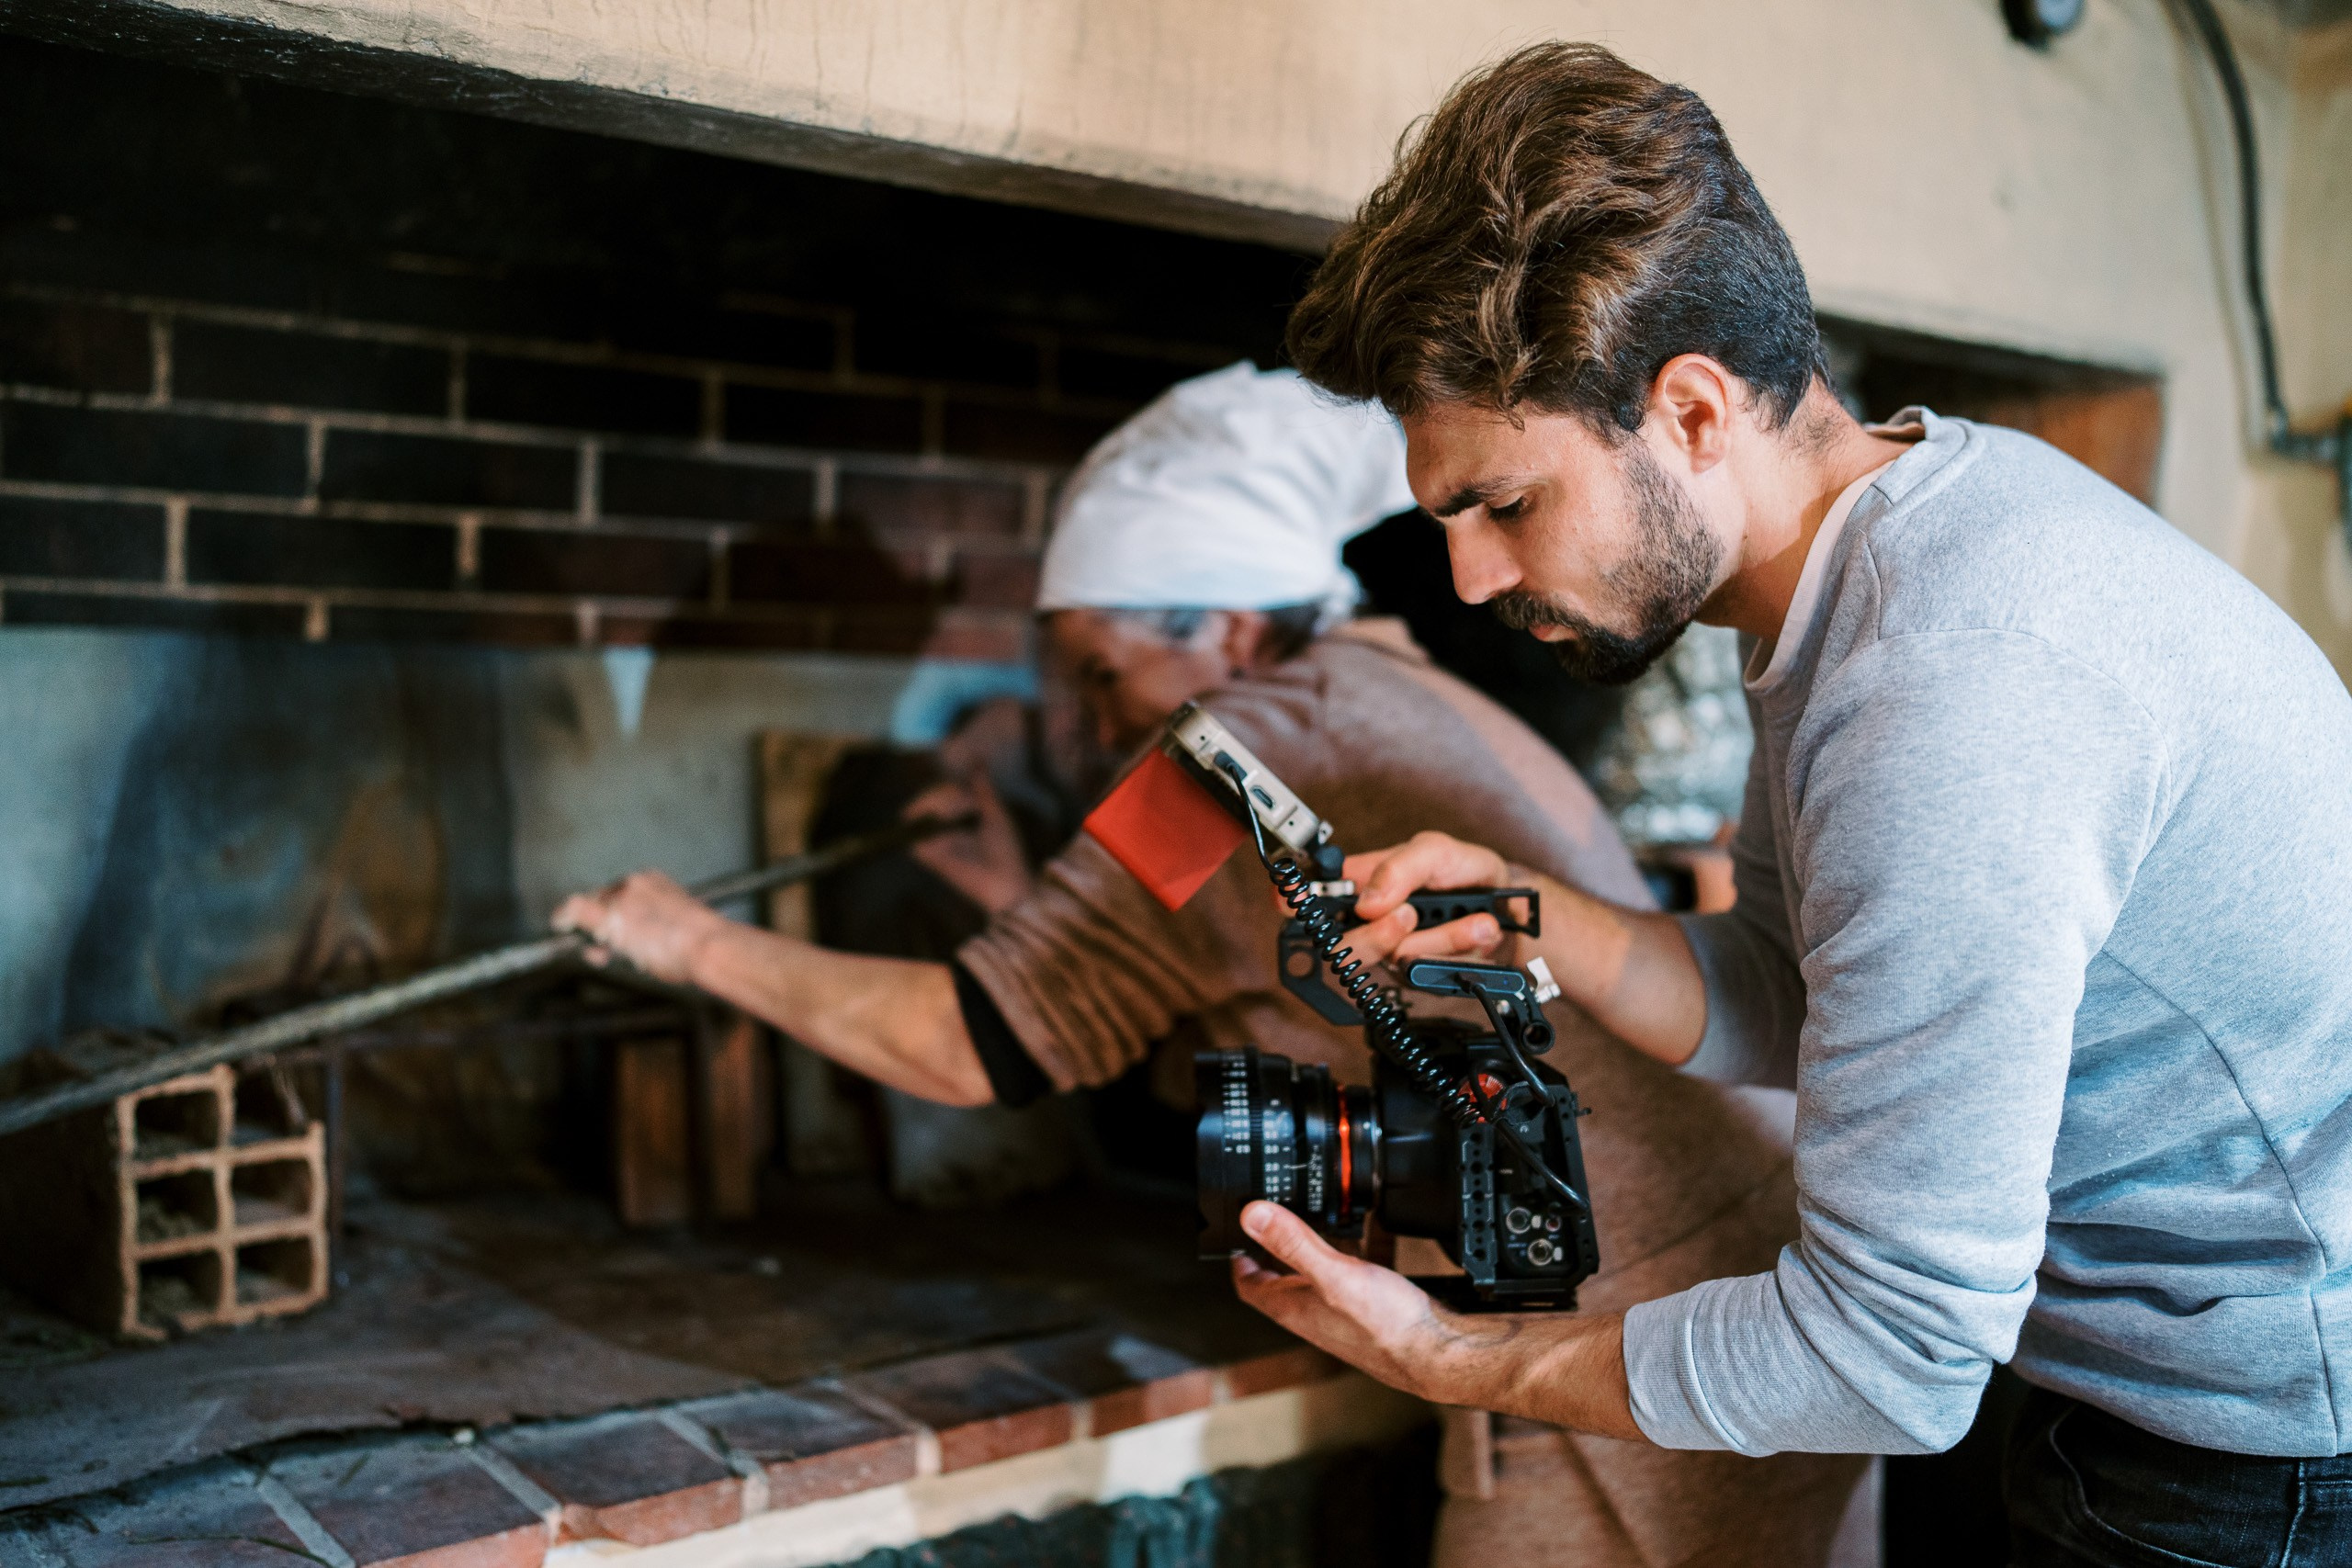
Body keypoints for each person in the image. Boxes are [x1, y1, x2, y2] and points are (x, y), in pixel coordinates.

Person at [1229, 40, 2352, 1566]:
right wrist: (1531, 912)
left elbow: (1885, 1350)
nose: (1474, 579)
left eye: (1505, 502)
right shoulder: (1877, 553)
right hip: (2111, 1377)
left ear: (1692, 410)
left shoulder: (1947, 683)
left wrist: (1455, 1362)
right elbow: (1789, 996)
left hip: (2253, 1453)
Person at [557, 362, 1866, 1567]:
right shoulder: (1381, 683)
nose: (1095, 720)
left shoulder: (1221, 760)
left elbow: (972, 1040)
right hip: (1750, 1283)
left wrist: (686, 938)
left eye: (1100, 671)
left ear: (1233, 633)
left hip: (1612, 1357)